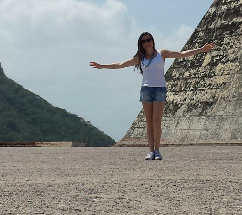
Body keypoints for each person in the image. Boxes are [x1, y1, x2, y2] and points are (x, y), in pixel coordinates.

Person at [90, 32, 216, 160]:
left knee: (157, 123)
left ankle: (157, 150)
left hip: (159, 90)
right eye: (144, 41)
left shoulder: (162, 53)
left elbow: (182, 54)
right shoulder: (140, 58)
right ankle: (151, 151)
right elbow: (121, 64)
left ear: (152, 41)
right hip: (146, 90)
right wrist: (102, 66)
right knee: (149, 123)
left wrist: (201, 49)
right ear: (141, 44)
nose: (146, 43)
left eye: (148, 40)